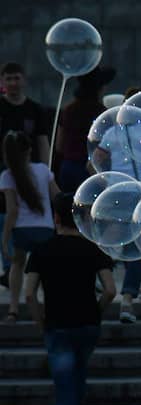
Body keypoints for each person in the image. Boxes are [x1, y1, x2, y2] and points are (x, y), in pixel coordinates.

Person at [23, 193, 115, 405]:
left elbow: (29, 293)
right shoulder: (93, 249)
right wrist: (97, 312)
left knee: (65, 392)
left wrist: (41, 323)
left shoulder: (42, 249)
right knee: (78, 380)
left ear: (56, 218)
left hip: (58, 326)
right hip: (87, 325)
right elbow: (110, 289)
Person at [0, 62, 50, 287]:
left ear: (24, 80)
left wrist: (47, 170)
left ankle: (26, 269)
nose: (12, 83)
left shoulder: (35, 110)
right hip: (4, 174)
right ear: (2, 82)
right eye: (8, 79)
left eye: (16, 78)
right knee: (5, 215)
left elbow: (42, 141)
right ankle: (9, 266)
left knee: (25, 215)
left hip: (31, 174)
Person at [1, 131, 59, 322]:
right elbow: (57, 198)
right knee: (46, 270)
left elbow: (12, 210)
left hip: (22, 230)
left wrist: (5, 237)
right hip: (45, 229)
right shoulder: (43, 170)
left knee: (17, 266)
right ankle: (48, 306)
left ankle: (13, 309)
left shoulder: (7, 176)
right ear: (29, 150)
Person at [56, 66, 116, 192]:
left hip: (69, 166)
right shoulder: (102, 113)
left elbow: (59, 146)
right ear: (99, 88)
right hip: (92, 168)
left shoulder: (68, 110)